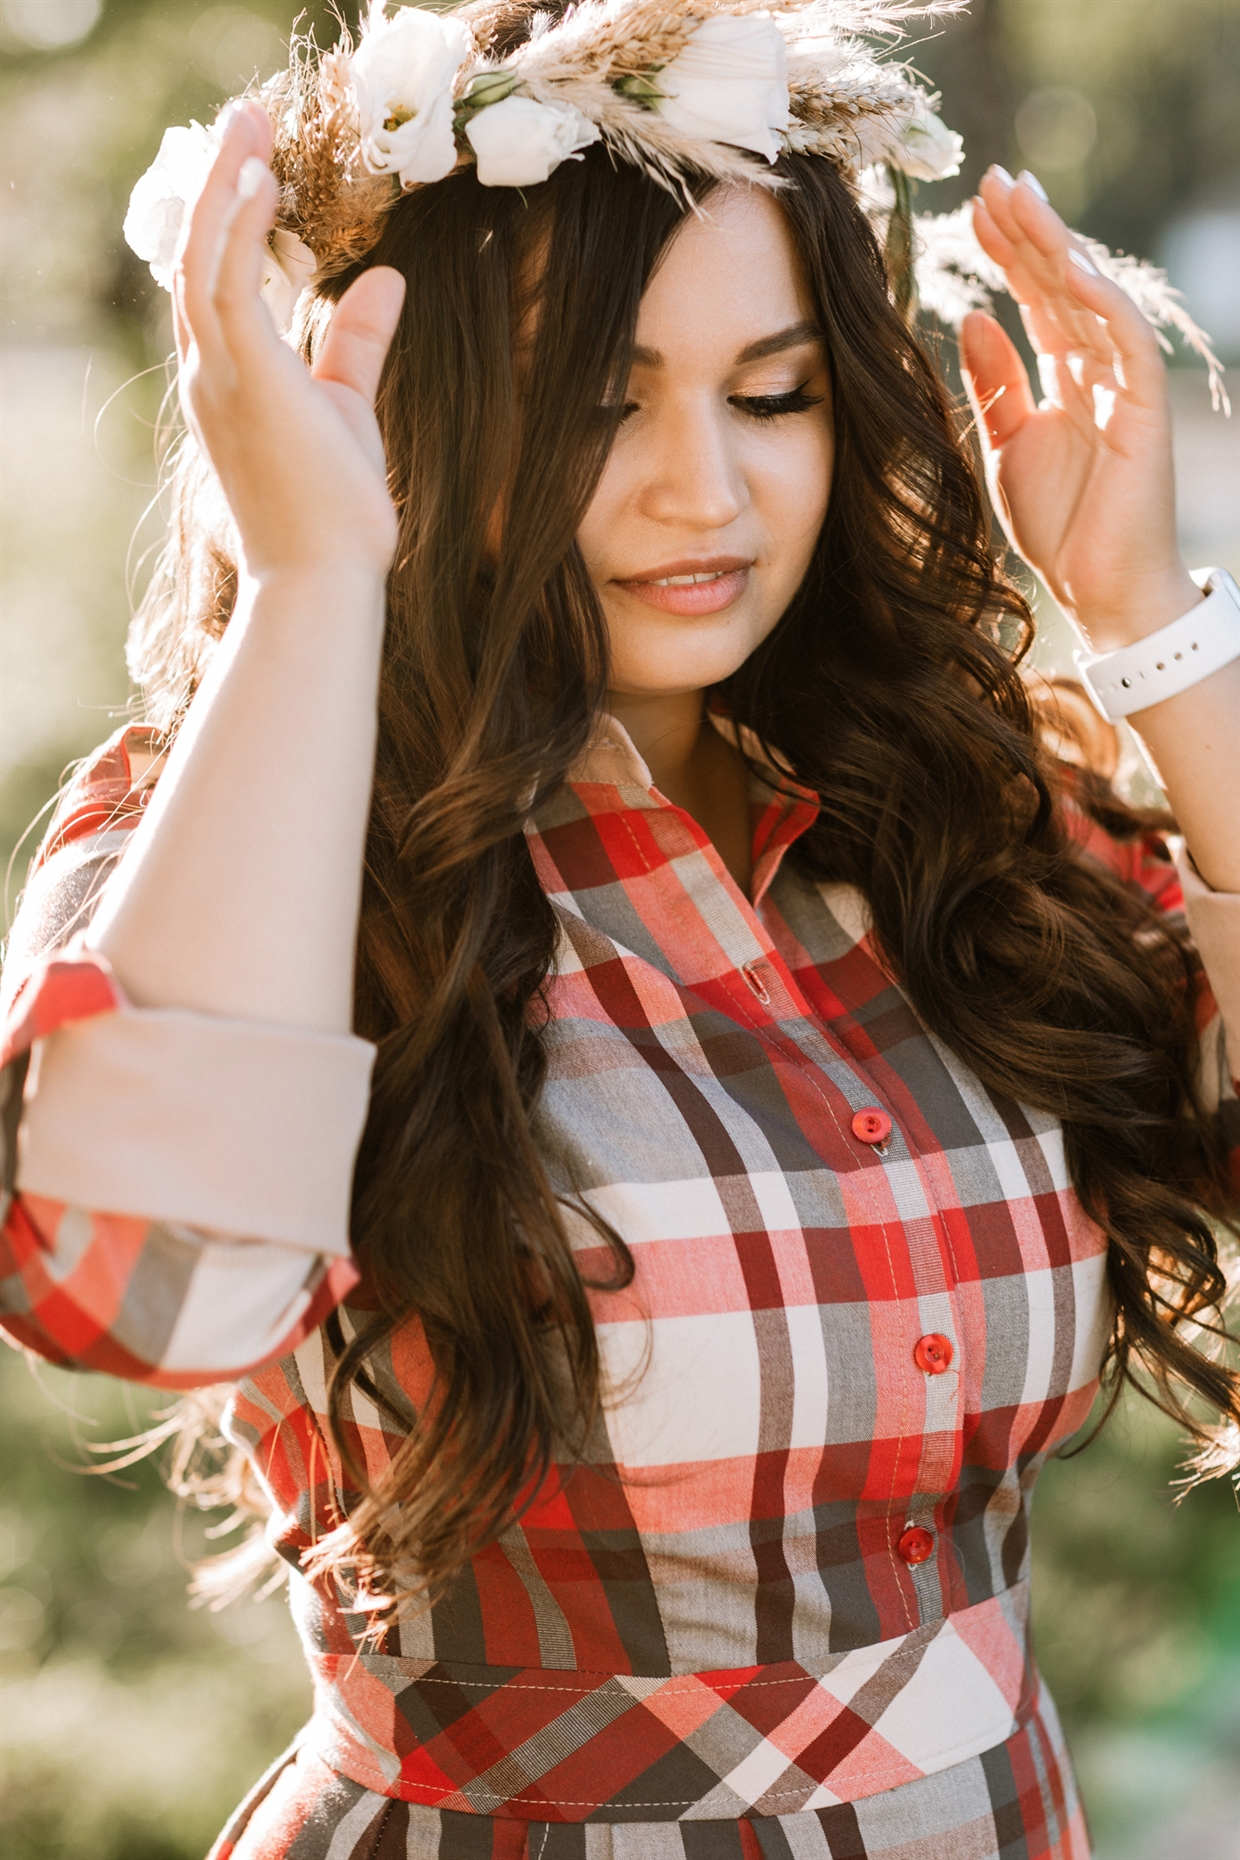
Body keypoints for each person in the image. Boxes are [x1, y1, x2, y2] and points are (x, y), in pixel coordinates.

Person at [1, 1, 1237, 1855]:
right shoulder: (264, 841)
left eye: (773, 391)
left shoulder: (951, 835)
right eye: (597, 405)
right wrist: (320, 572)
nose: (705, 494)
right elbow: (132, 1290)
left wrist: (1150, 624)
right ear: (406, 403)